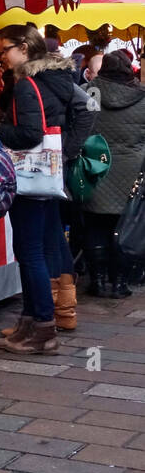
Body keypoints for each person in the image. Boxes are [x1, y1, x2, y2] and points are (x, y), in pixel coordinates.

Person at [0, 25, 78, 355]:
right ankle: (31, 321)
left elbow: (29, 134)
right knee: (37, 250)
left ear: (25, 49)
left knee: (30, 253)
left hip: (30, 179)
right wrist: (67, 151)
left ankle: (42, 326)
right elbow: (84, 112)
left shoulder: (28, 84)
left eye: (3, 51)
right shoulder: (57, 78)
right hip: (48, 177)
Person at [83, 50, 145, 297]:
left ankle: (97, 281)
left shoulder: (89, 92)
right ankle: (120, 283)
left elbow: (81, 127)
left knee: (95, 226)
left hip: (96, 168)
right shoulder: (142, 97)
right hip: (131, 172)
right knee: (125, 227)